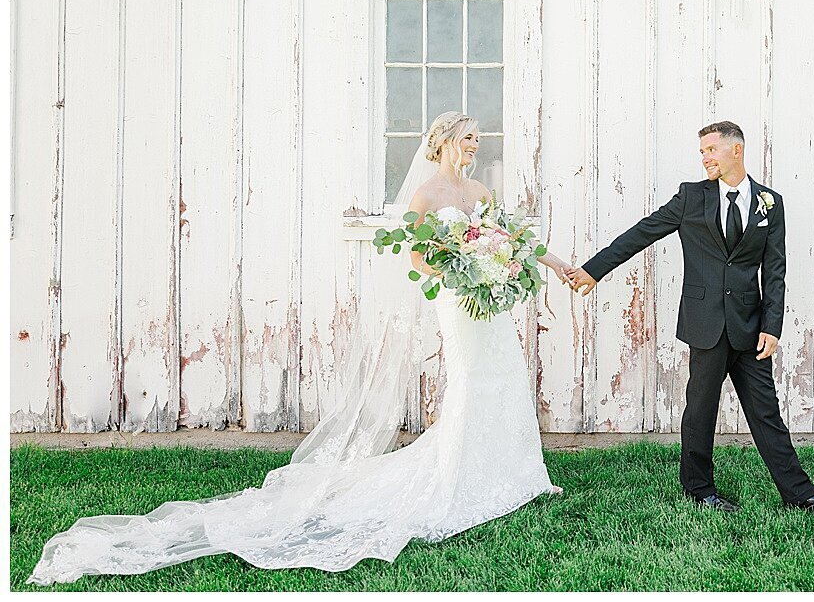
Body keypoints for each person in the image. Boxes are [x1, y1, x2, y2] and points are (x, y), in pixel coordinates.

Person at [27, 111, 573, 585]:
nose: (476, 146)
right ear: (445, 140)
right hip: (457, 303)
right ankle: (456, 477)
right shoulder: (427, 195)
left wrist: (551, 267)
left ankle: (518, 472)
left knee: (504, 376)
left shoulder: (480, 195)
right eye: (469, 137)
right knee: (472, 382)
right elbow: (418, 262)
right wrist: (458, 272)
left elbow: (513, 243)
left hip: (490, 303)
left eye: (479, 139)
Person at [565, 121, 814, 514]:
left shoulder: (769, 202)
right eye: (701, 152)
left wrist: (772, 326)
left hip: (750, 327)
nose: (704, 158)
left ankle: (802, 496)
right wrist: (593, 270)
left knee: (766, 411)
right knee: (700, 408)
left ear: (736, 150)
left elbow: (775, 270)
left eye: (711, 150)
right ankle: (698, 490)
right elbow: (642, 233)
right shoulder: (691, 198)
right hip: (705, 323)